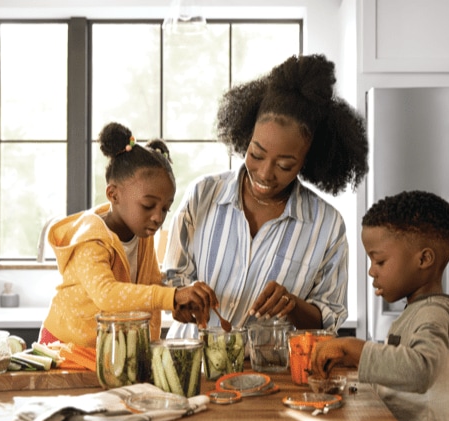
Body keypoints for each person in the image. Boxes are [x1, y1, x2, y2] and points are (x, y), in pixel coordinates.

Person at [163, 54, 369, 338]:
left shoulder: (327, 225)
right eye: (256, 154)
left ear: (310, 159)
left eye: (285, 165)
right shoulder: (202, 196)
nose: (265, 173)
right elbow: (169, 287)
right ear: (245, 136)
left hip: (271, 375)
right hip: (191, 368)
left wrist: (292, 305)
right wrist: (181, 300)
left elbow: (327, 322)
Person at [311, 190, 449, 421]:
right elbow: (399, 374)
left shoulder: (434, 314)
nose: (371, 271)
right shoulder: (417, 312)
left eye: (379, 262)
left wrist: (355, 348)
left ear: (424, 259)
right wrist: (352, 368)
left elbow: (419, 371)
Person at [39, 121, 216, 370]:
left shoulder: (141, 234)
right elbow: (108, 295)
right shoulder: (91, 239)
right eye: (148, 205)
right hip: (65, 349)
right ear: (113, 194)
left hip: (106, 351)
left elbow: (150, 283)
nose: (158, 217)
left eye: (165, 208)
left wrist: (177, 304)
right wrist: (172, 296)